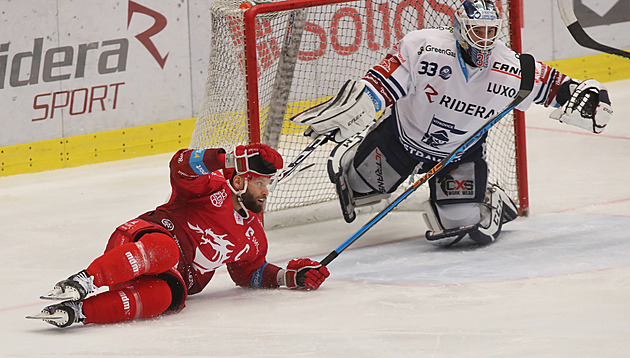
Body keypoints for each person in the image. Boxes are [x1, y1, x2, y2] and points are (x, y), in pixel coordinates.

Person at [291, 0, 613, 247]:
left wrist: (584, 96)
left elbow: (553, 85)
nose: (485, 41)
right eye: (478, 31)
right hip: (402, 139)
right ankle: (357, 158)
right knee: (358, 187)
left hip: (459, 154)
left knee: (461, 226)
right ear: (460, 29)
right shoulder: (424, 48)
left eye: (491, 32)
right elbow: (380, 85)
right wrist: (359, 107)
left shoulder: (510, 67)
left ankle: (492, 199)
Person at [27, 144, 330, 328]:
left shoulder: (254, 237)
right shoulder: (212, 188)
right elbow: (181, 166)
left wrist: (292, 276)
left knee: (167, 297)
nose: (266, 192)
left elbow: (250, 273)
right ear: (239, 180)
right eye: (260, 184)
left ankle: (76, 313)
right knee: (166, 251)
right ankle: (82, 282)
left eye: (269, 185)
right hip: (140, 244)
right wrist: (223, 160)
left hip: (171, 276)